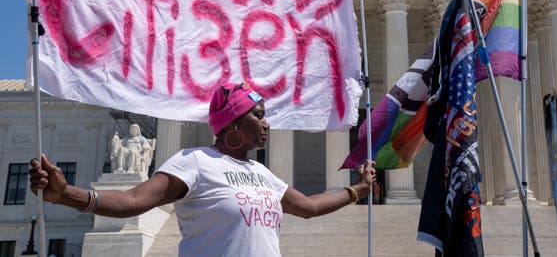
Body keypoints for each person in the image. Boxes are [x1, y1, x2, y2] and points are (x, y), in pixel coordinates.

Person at [29, 82, 376, 257]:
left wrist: (358, 189)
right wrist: (68, 195)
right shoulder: (194, 161)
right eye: (258, 115)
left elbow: (310, 208)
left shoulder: (263, 174)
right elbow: (133, 201)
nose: (267, 123)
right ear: (232, 123)